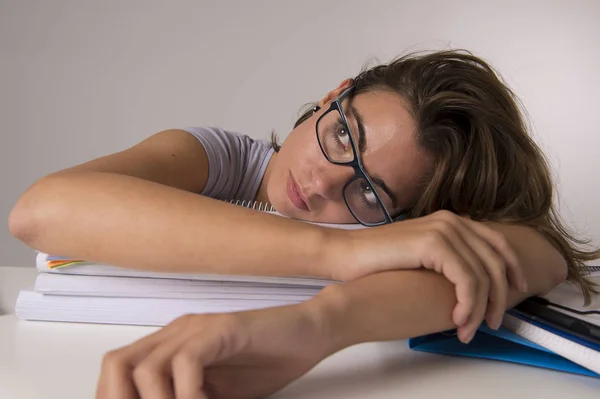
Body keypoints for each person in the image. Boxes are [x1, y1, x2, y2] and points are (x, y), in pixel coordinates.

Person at [9, 49, 598, 399]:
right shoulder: (215, 158)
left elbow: (537, 252)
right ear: (332, 97)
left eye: (368, 191)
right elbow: (40, 210)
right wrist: (336, 254)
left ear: (410, 217)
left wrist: (320, 326)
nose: (319, 184)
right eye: (344, 135)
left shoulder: (390, 238)